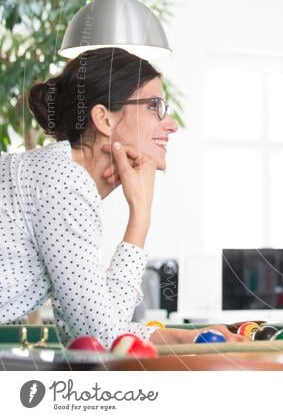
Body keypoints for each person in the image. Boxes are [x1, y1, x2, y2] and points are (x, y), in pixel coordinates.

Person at [0, 48, 244, 347]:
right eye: (154, 106)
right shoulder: (63, 182)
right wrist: (140, 216)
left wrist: (178, 336)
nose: (171, 124)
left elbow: (89, 329)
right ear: (104, 119)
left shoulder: (59, 176)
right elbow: (98, 338)